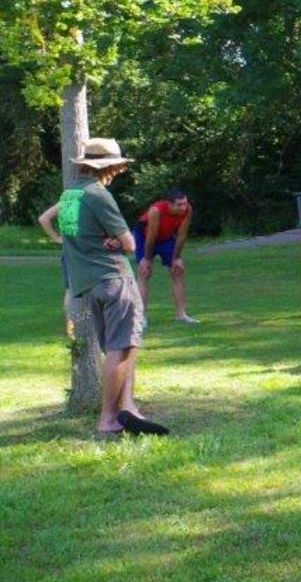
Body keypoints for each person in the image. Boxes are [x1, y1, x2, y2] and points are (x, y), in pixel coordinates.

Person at [47, 138, 169, 436]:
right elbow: (129, 243)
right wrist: (119, 241)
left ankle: (127, 407)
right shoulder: (98, 195)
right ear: (108, 167)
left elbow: (77, 235)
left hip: (89, 283)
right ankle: (108, 419)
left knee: (119, 347)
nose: (118, 171)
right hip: (114, 278)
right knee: (120, 348)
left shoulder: (70, 195)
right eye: (117, 166)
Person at [132, 188, 198, 323]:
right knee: (144, 273)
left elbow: (182, 234)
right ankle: (141, 318)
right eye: (179, 204)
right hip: (145, 237)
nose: (183, 207)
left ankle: (181, 315)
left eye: (185, 203)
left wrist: (176, 258)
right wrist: (146, 259)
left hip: (166, 237)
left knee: (177, 271)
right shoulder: (156, 211)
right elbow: (151, 236)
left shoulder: (188, 210)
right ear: (169, 204)